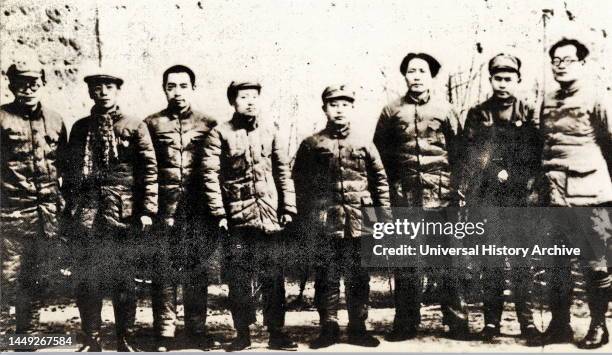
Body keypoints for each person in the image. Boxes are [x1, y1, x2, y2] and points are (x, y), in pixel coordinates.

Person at [374, 52, 469, 341]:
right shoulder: (391, 111)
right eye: (411, 71)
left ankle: (457, 323)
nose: (416, 76)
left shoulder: (447, 110)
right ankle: (405, 323)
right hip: (406, 199)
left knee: (447, 262)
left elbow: (461, 155)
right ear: (404, 76)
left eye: (422, 71)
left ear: (431, 77)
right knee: (407, 264)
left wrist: (458, 191)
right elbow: (381, 158)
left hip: (441, 198)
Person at [63, 69, 158, 351]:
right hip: (88, 216)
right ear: (90, 93)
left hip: (123, 213)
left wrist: (147, 210)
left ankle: (124, 340)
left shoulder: (134, 126)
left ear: (117, 91)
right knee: (88, 279)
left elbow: (149, 171)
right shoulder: (81, 128)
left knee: (124, 280)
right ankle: (91, 340)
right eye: (97, 88)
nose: (103, 92)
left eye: (109, 87)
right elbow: (70, 174)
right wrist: (71, 209)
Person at [293, 85, 391, 349]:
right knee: (326, 275)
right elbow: (299, 183)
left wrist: (384, 216)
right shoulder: (312, 144)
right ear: (324, 108)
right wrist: (306, 219)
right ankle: (329, 327)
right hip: (326, 221)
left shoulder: (364, 143)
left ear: (351, 108)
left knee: (359, 275)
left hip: (359, 220)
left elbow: (380, 180)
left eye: (345, 104)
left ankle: (358, 327)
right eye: (334, 104)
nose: (339, 109)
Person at [202, 80, 297, 351]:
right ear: (233, 101)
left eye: (254, 96)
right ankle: (242, 334)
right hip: (236, 219)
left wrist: (288, 208)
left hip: (269, 216)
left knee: (274, 277)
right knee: (239, 277)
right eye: (244, 97)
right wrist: (219, 213)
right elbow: (210, 176)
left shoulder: (270, 132)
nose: (250, 101)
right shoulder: (219, 134)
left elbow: (283, 173)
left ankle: (277, 333)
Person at [461, 53, 543, 344]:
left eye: (509, 78)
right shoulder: (478, 113)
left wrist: (518, 178)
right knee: (490, 260)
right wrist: (496, 172)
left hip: (520, 198)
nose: (503, 84)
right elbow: (471, 154)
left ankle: (527, 324)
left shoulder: (529, 111)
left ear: (517, 80)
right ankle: (492, 323)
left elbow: (536, 153)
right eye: (498, 78)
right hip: (488, 197)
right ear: (491, 79)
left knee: (522, 262)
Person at [538, 38, 612, 349]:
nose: (560, 65)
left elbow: (609, 143)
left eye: (568, 60)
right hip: (553, 193)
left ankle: (598, 326)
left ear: (581, 64)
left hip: (589, 193)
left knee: (595, 263)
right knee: (556, 262)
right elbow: (544, 140)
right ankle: (560, 325)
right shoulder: (548, 99)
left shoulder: (598, 98)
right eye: (556, 60)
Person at [143, 64, 217, 351]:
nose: (177, 92)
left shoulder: (208, 123)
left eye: (183, 86)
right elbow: (146, 168)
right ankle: (164, 334)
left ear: (193, 89)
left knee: (197, 270)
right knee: (163, 270)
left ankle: (197, 332)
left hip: (198, 211)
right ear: (164, 89)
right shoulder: (151, 124)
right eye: (171, 86)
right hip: (164, 209)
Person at [0, 58, 68, 338]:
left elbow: (64, 164)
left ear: (43, 84)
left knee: (37, 277)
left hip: (46, 217)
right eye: (21, 83)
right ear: (11, 85)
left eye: (34, 83)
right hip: (10, 215)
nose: (28, 88)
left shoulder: (55, 120)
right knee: (6, 278)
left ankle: (27, 335)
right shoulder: (1, 118)